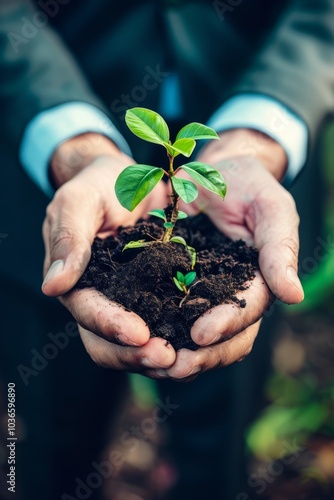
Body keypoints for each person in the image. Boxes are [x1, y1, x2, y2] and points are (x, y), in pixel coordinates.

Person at [0, 0, 333, 498]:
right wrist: (70, 140)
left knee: (219, 450)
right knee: (54, 447)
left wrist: (259, 136)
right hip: (43, 191)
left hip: (246, 200)